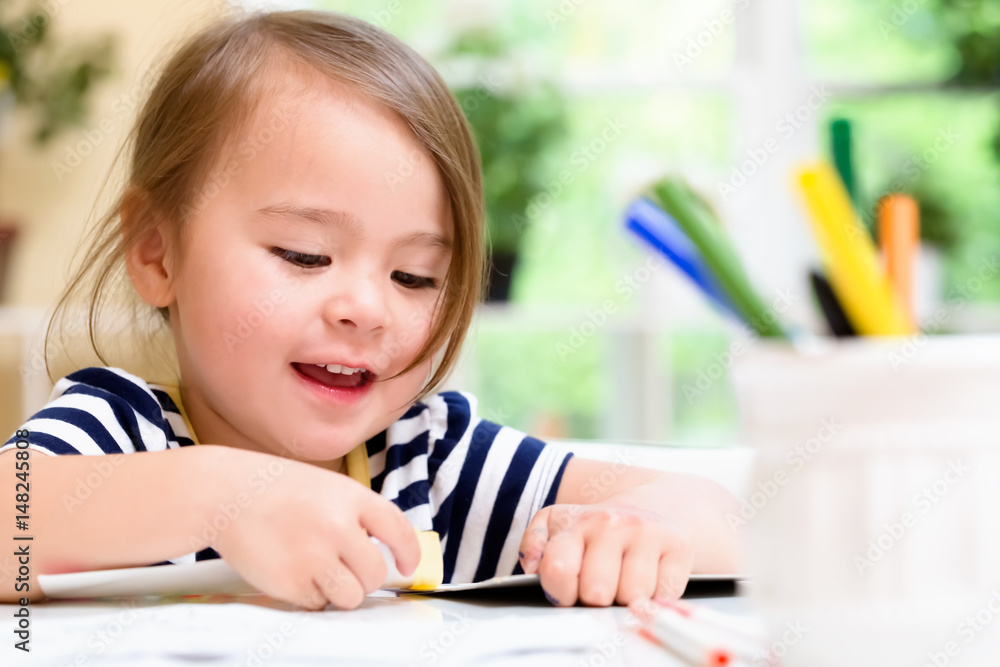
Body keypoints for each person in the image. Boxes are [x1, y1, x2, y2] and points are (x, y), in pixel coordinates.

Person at [0, 9, 738, 611]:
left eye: (414, 276)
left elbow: (727, 516)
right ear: (159, 253)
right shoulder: (118, 430)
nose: (367, 308)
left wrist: (643, 530)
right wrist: (221, 495)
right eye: (303, 255)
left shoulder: (430, 459)